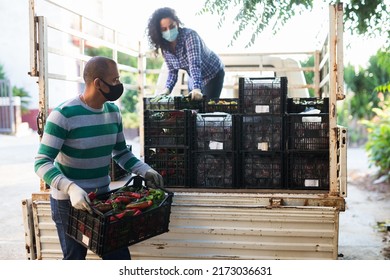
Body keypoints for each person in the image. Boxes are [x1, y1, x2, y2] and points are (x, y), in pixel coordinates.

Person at [34, 56, 164, 260]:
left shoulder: (113, 112)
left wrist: (144, 170)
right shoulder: (63, 115)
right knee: (75, 260)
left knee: (119, 258)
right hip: (69, 204)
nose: (119, 85)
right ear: (98, 83)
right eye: (115, 80)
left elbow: (121, 153)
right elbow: (41, 162)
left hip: (103, 200)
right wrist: (71, 188)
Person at [147, 7, 225, 101]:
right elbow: (173, 71)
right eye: (164, 29)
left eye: (171, 26)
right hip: (193, 77)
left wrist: (196, 88)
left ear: (177, 23)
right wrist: (167, 89)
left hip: (212, 73)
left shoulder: (189, 36)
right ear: (159, 32)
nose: (168, 31)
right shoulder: (165, 47)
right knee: (193, 108)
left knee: (207, 108)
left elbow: (194, 64)